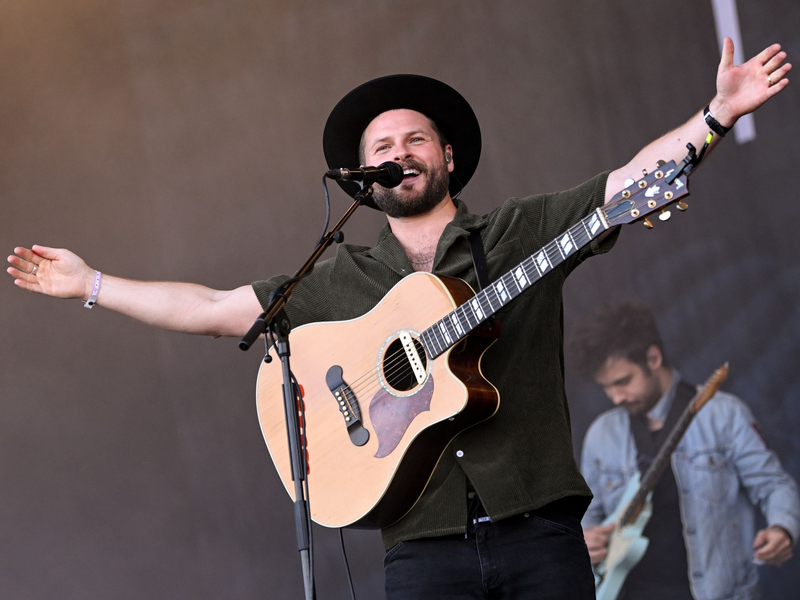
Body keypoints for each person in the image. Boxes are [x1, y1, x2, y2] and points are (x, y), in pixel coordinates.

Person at [7, 39, 791, 599]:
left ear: (448, 157)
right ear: (363, 176)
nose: (399, 150)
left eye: (416, 138)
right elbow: (213, 309)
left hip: (540, 535)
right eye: (381, 145)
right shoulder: (339, 275)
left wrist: (713, 119)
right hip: (419, 548)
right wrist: (93, 282)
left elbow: (627, 184)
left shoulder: (517, 232)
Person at [570, 301, 800, 600]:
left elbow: (774, 485)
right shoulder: (601, 435)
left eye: (623, 382)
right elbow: (588, 513)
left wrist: (783, 529)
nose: (615, 397)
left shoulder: (724, 415)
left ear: (653, 358)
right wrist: (583, 540)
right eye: (606, 387)